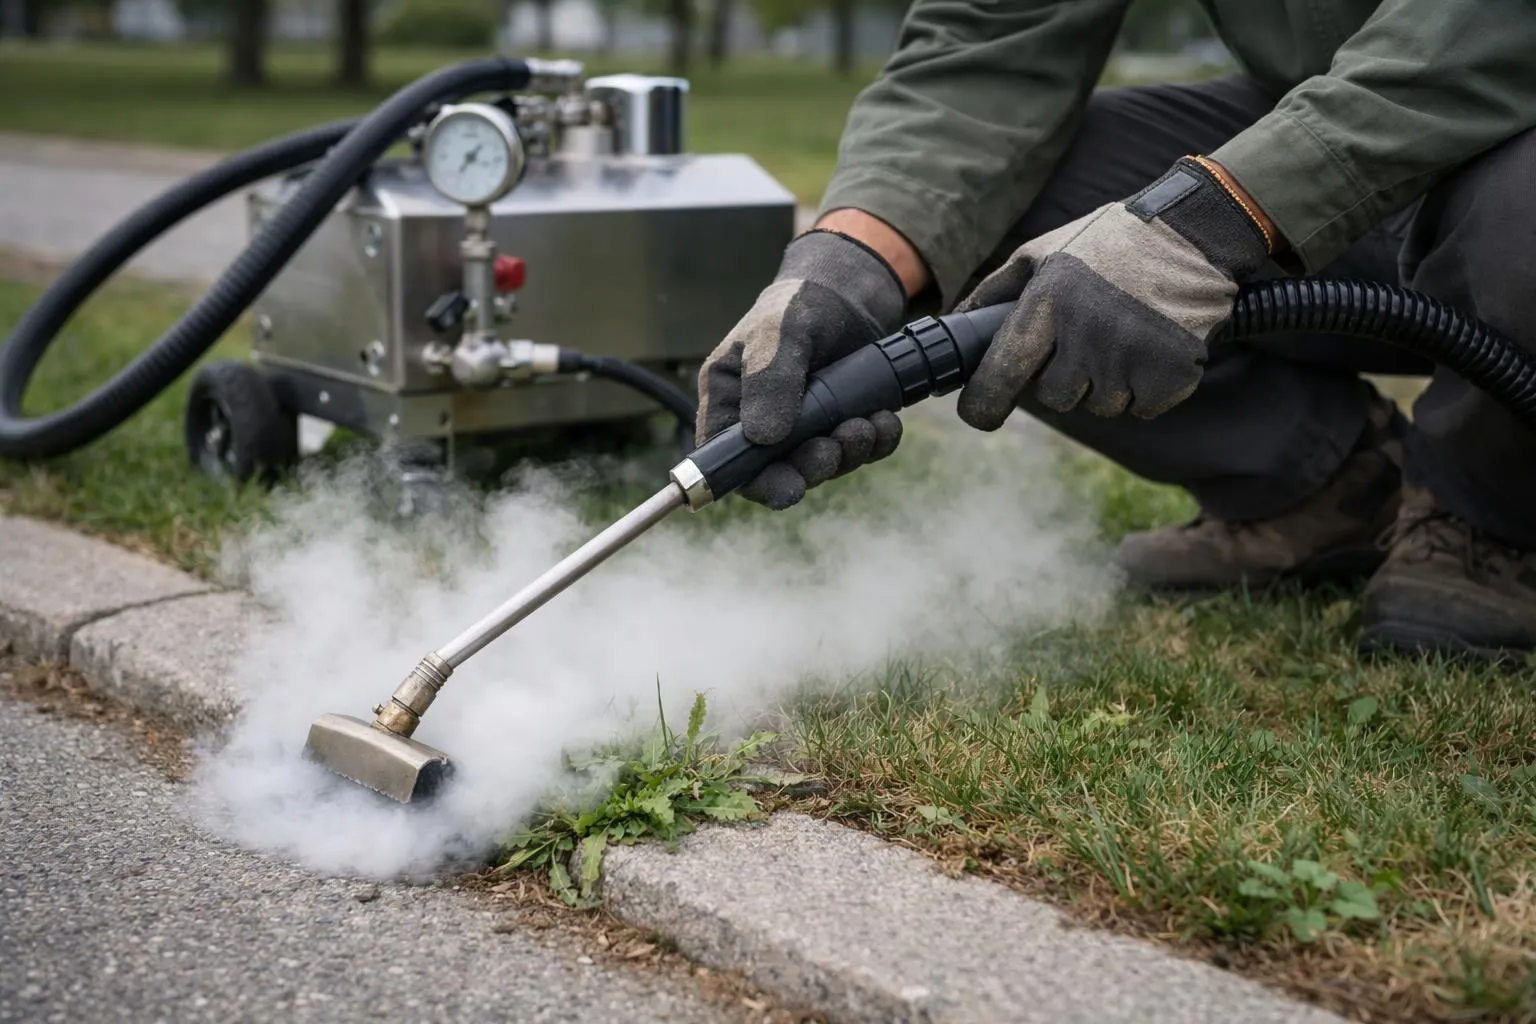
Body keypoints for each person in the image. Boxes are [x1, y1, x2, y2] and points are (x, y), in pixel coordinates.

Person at [696, 0, 1536, 662]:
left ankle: (1490, 517)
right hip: (1345, 148)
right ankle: (1327, 489)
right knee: (994, 208)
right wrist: (853, 261)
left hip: (1510, 141)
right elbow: (991, 41)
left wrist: (1216, 217)